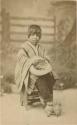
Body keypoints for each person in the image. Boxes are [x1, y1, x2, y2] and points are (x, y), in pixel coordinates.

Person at [15, 24, 56, 116]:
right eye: (33, 35)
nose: (35, 37)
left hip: (40, 70)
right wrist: (31, 61)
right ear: (28, 35)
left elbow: (46, 56)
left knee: (50, 77)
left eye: (38, 35)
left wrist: (45, 59)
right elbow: (21, 59)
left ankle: (43, 96)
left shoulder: (41, 47)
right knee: (40, 80)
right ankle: (48, 102)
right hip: (28, 72)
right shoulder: (24, 48)